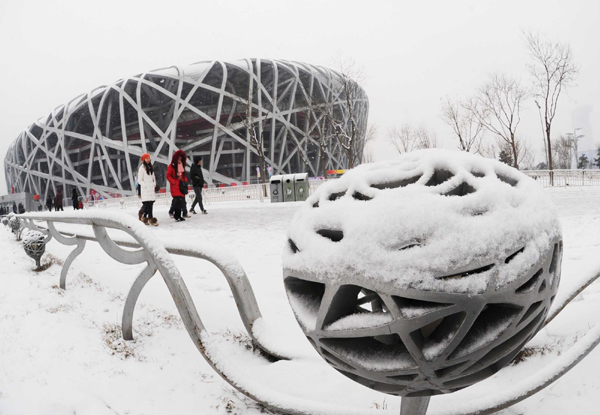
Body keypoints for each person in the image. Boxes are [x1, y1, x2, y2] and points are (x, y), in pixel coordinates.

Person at [166, 149, 188, 222]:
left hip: (181, 185)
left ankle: (178, 215)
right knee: (176, 200)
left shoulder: (181, 165)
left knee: (180, 201)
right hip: (175, 185)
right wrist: (174, 182)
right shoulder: (171, 166)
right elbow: (168, 175)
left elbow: (183, 175)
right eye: (179, 158)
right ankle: (175, 214)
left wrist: (185, 181)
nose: (180, 159)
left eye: (181, 158)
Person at [137, 153, 158, 226]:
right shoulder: (141, 168)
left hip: (151, 188)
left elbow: (153, 177)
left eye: (149, 158)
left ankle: (145, 217)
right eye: (146, 158)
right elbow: (139, 180)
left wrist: (154, 184)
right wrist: (145, 185)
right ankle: (150, 218)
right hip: (145, 189)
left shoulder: (151, 167)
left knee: (151, 203)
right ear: (144, 160)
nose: (148, 160)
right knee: (146, 204)